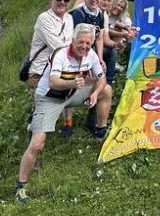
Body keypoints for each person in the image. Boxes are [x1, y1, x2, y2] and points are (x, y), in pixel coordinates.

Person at [15, 23, 113, 203]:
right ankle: (21, 186)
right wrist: (73, 84)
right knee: (38, 143)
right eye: (80, 42)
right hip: (49, 98)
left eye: (88, 43)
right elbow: (53, 82)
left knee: (106, 90)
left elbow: (101, 77)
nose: (84, 47)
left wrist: (94, 93)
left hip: (72, 94)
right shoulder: (60, 54)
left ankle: (100, 133)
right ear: (73, 40)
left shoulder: (90, 54)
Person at [65, 0, 105, 137]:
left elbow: (99, 37)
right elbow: (75, 39)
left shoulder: (99, 14)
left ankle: (91, 116)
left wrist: (100, 58)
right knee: (73, 82)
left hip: (91, 52)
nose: (94, 0)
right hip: (76, 52)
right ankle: (67, 120)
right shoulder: (78, 14)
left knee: (99, 81)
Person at [26, 0, 75, 95]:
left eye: (66, 0)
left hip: (59, 71)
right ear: (52, 0)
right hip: (40, 72)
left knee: (62, 104)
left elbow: (69, 43)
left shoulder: (69, 18)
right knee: (42, 109)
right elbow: (57, 47)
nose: (62, 2)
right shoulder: (44, 18)